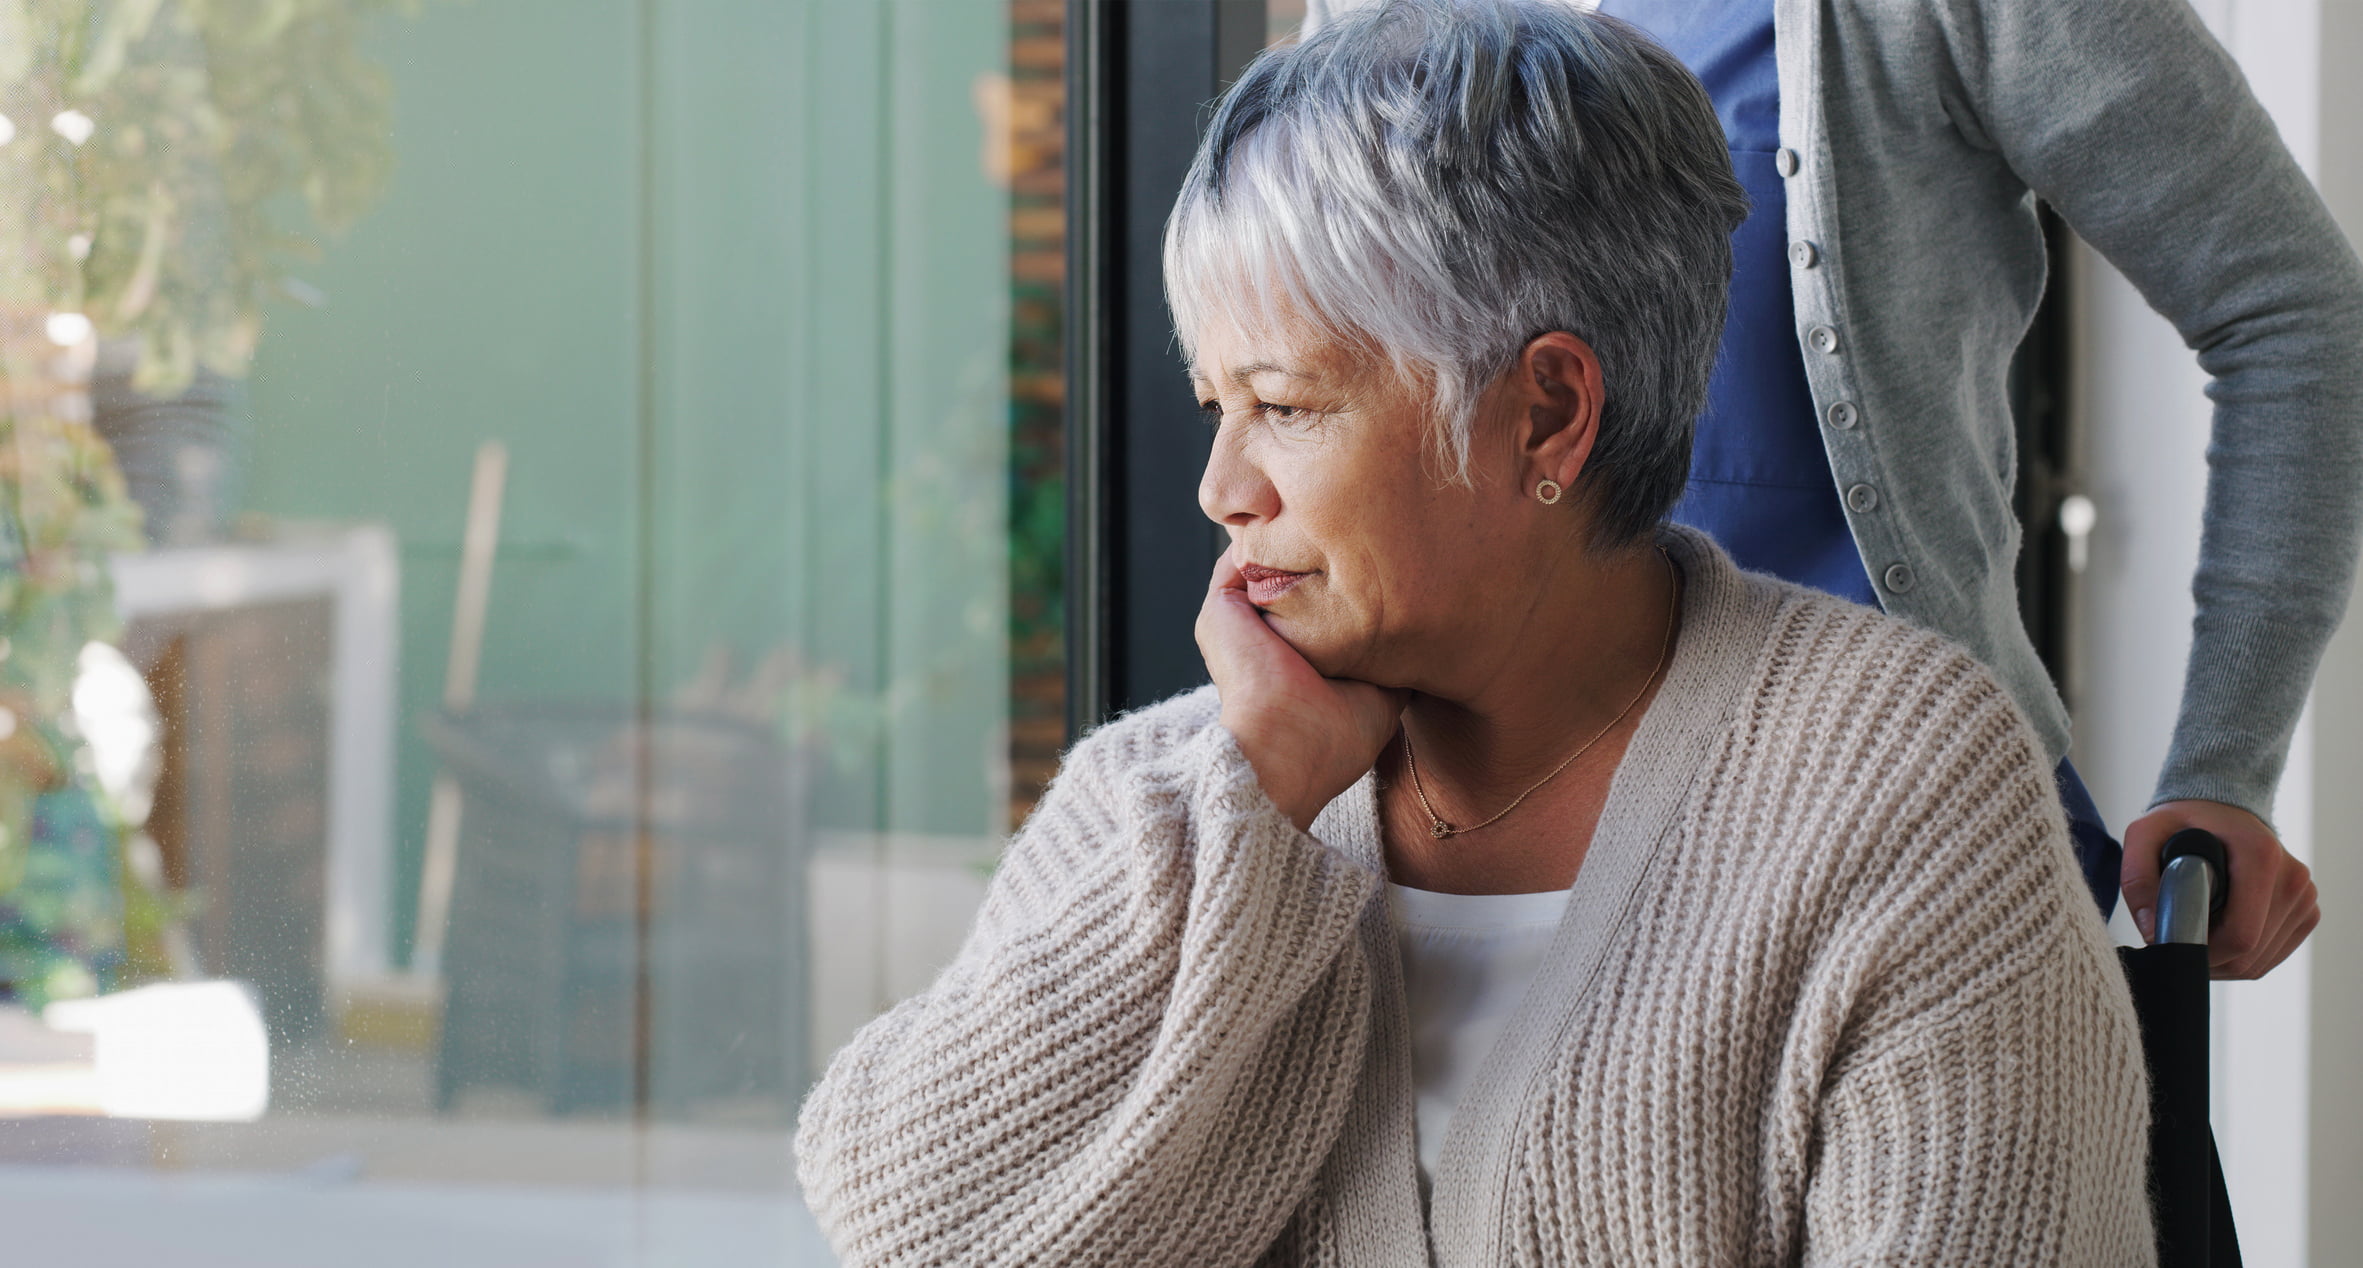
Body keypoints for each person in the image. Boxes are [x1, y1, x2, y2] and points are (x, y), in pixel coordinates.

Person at [794, 3, 2152, 1261]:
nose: (1221, 489)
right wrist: (1248, 804)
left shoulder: (1901, 789)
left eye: (1285, 403)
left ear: (1548, 412)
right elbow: (905, 1224)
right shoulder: (1163, 789)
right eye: (1215, 404)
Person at [1303, 0, 2363, 978]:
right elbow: (1298, 373)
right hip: (1455, 901)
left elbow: (2290, 311)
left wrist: (2222, 762)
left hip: (1901, 879)